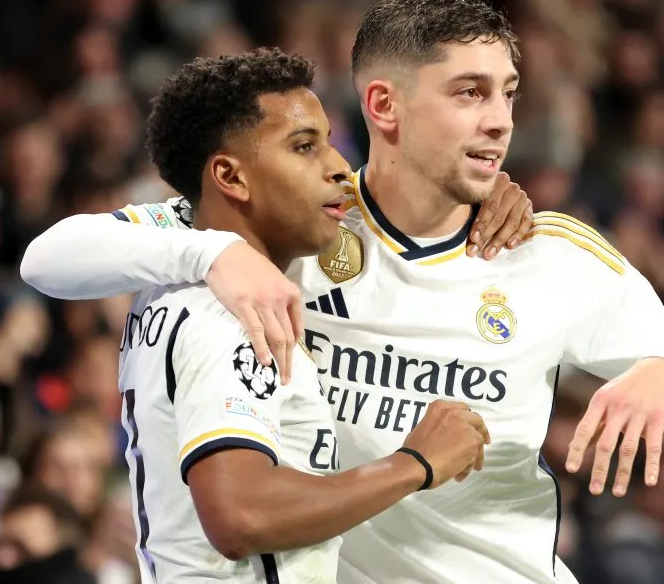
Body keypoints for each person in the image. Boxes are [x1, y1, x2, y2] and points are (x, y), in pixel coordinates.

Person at [21, 0, 664, 583]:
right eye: (470, 93)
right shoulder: (298, 227)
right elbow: (51, 257)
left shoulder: (550, 255)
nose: (500, 121)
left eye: (509, 92)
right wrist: (211, 253)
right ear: (384, 106)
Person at [84, 48, 491, 582]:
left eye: (328, 141)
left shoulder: (177, 287)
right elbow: (240, 515)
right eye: (304, 147)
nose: (340, 167)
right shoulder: (230, 314)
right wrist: (413, 463)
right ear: (231, 177)